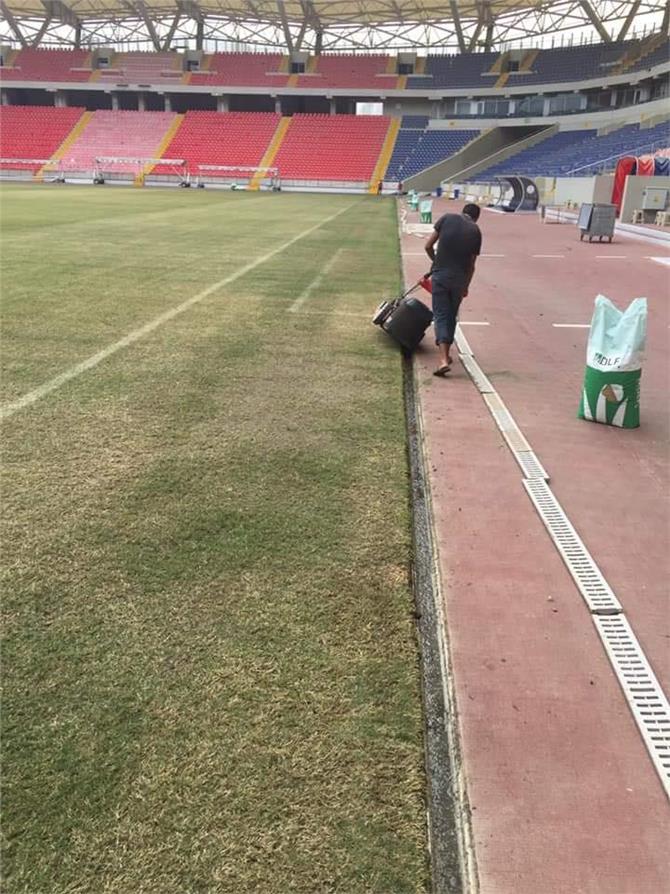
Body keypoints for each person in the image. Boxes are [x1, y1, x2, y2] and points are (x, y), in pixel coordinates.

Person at [424, 202, 482, 377]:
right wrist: (466, 287)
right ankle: (446, 355)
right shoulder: (476, 231)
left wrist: (435, 262)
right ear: (477, 217)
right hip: (459, 279)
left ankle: (442, 359)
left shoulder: (447, 218)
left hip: (441, 276)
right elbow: (472, 266)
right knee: (451, 315)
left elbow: (428, 246)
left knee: (441, 314)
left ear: (463, 212)